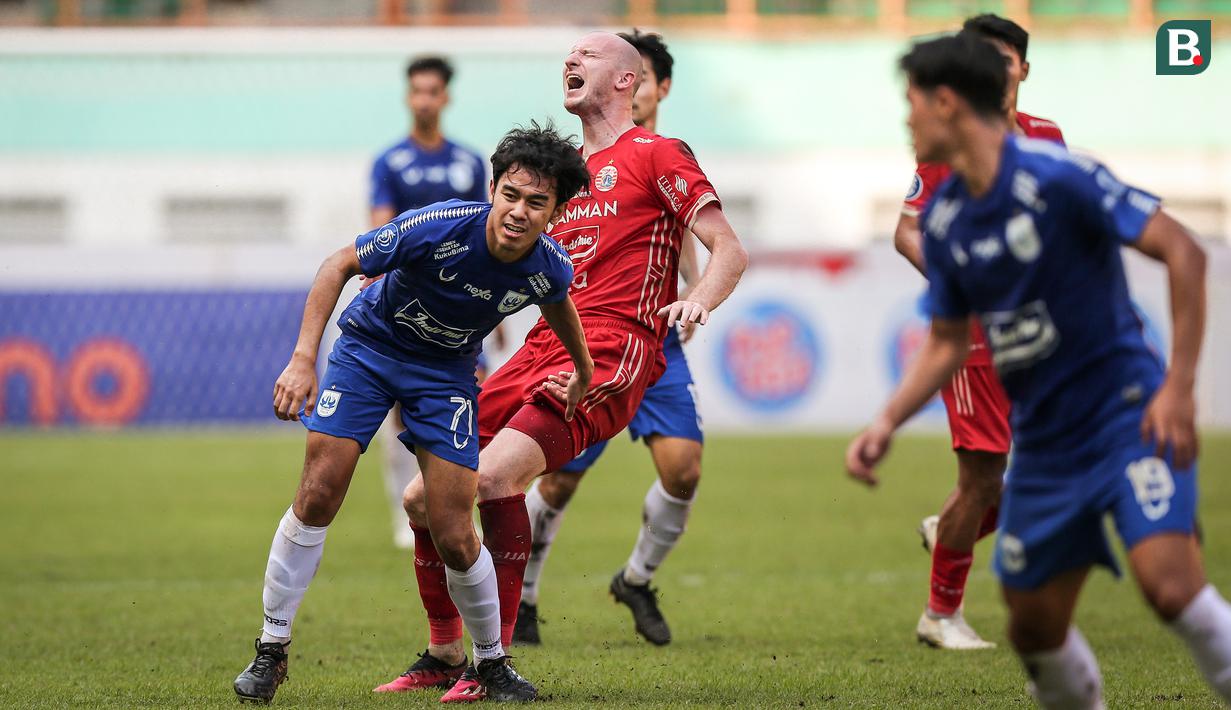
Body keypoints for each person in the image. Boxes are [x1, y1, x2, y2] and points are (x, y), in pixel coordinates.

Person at [848, 33, 1231, 709]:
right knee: (1032, 626)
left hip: (1124, 415)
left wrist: (1177, 388)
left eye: (909, 104)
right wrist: (885, 421)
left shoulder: (1058, 175)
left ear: (946, 103)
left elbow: (1184, 253)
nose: (905, 120)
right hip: (1048, 447)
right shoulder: (944, 220)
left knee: (1170, 588)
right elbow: (944, 342)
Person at [378, 30, 747, 703]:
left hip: (610, 347)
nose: (570, 60)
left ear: (627, 81)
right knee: (419, 499)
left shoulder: (657, 152)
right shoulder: (561, 174)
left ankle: (495, 664)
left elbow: (727, 247)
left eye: (589, 55)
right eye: (568, 54)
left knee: (491, 479)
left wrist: (696, 301)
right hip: (540, 344)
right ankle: (441, 651)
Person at [232, 123, 592, 704]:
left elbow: (560, 306)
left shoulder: (548, 265)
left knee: (452, 529)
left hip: (445, 376)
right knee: (320, 492)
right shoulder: (439, 224)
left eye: (537, 202)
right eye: (511, 194)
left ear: (555, 212)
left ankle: (491, 665)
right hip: (368, 352)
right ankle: (271, 649)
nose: (519, 211)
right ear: (493, 187)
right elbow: (337, 265)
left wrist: (583, 369)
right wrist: (303, 359)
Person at [515, 28, 703, 649]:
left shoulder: (662, 154)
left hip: (656, 339)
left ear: (654, 86)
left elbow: (694, 239)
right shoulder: (579, 165)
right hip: (589, 340)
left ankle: (637, 578)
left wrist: (693, 299)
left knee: (684, 468)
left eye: (638, 74)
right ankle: (527, 596)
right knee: (557, 477)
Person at [892, 14, 1064, 650]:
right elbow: (906, 230)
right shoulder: (948, 146)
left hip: (1036, 330)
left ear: (1021, 67)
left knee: (1054, 461)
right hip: (974, 338)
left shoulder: (1048, 137)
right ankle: (940, 614)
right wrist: (969, 282)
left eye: (1001, 58)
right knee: (984, 476)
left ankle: (951, 530)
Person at [369, 56, 493, 550]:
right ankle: (408, 510)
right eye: (416, 91)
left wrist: (496, 317)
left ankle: (457, 508)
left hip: (464, 309)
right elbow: (381, 230)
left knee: (467, 403)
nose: (423, 100)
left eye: (432, 91)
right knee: (403, 412)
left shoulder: (468, 162)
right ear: (408, 96)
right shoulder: (390, 162)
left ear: (445, 98)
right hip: (405, 304)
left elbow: (486, 235)